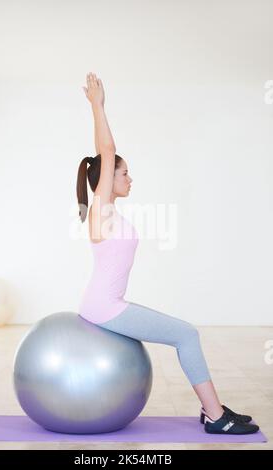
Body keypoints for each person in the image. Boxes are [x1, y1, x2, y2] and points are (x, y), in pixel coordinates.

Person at [76, 72, 259, 435]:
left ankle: (215, 410)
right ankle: (215, 416)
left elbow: (106, 158)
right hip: (104, 307)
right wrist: (98, 106)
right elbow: (107, 153)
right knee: (186, 334)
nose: (130, 179)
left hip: (110, 302)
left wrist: (100, 117)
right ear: (107, 179)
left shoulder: (109, 210)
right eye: (125, 173)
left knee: (184, 333)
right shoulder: (99, 211)